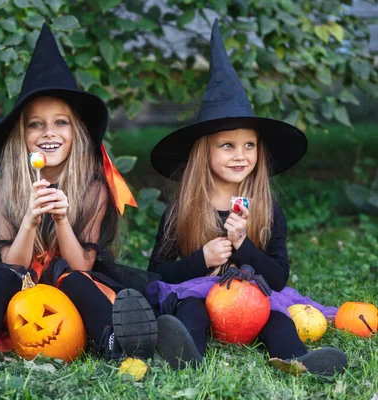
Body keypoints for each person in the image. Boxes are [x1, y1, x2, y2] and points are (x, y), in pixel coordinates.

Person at [0, 24, 158, 375]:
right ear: (21, 136)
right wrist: (30, 221)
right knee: (1, 276)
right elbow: (13, 262)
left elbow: (83, 263)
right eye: (35, 124)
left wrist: (62, 220)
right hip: (19, 291)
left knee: (72, 276)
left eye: (60, 123)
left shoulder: (93, 190)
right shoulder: (2, 191)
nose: (48, 133)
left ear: (76, 133)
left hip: (72, 290)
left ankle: (115, 342)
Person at [145, 19, 348, 376]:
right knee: (190, 308)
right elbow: (156, 273)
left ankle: (298, 359)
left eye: (249, 145)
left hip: (252, 298)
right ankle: (187, 351)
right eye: (227, 145)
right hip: (201, 297)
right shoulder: (182, 210)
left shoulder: (267, 210)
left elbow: (280, 276)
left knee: (276, 316)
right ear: (203, 152)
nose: (241, 155)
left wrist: (245, 246)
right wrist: (201, 259)